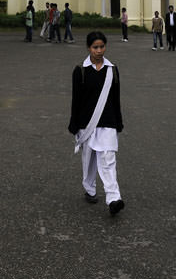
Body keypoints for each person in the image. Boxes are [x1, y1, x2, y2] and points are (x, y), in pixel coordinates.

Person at [68, 31, 124, 215]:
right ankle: (90, 188)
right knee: (89, 159)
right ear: (88, 48)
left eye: (102, 47)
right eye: (95, 47)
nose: (99, 51)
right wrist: (74, 123)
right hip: (87, 123)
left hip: (108, 121)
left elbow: (116, 98)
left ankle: (114, 198)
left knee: (108, 159)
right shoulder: (80, 71)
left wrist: (119, 121)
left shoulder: (112, 69)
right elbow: (76, 99)